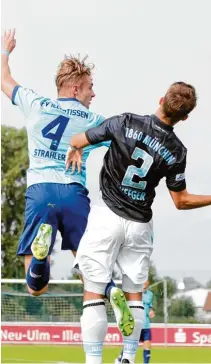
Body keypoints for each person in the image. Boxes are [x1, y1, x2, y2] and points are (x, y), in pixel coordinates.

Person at [66, 81, 211, 364]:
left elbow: (78, 140)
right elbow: (181, 201)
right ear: (185, 117)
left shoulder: (124, 122)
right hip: (140, 225)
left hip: (107, 216)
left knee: (93, 291)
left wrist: (76, 148)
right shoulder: (177, 152)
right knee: (135, 295)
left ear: (160, 99)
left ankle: (93, 360)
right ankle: (127, 358)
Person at [1, 29, 108, 297]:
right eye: (89, 86)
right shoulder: (92, 121)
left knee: (35, 288)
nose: (93, 93)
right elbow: (123, 139)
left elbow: (4, 78)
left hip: (40, 192)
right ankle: (113, 291)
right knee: (91, 276)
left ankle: (40, 260)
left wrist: (5, 51)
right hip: (73, 192)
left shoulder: (36, 104)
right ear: (75, 88)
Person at [115, 280, 154, 364]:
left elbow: (150, 306)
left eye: (146, 286)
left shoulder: (150, 294)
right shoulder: (134, 293)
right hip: (135, 323)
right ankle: (120, 358)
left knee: (147, 345)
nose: (144, 287)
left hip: (146, 325)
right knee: (131, 344)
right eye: (143, 285)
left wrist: (151, 311)